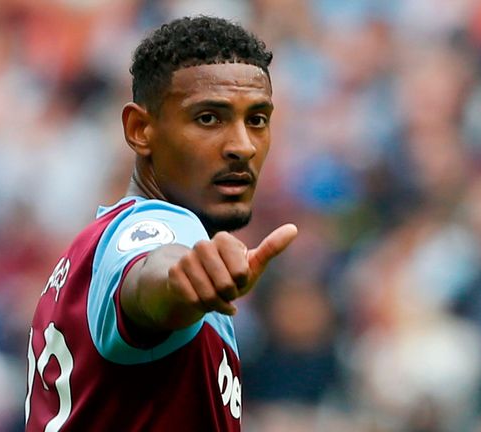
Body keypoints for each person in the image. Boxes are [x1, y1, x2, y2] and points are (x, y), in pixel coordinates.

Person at [24, 16, 297, 431]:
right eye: (209, 118)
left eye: (257, 120)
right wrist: (179, 281)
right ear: (140, 130)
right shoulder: (164, 228)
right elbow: (148, 273)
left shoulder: (88, 249)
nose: (242, 145)